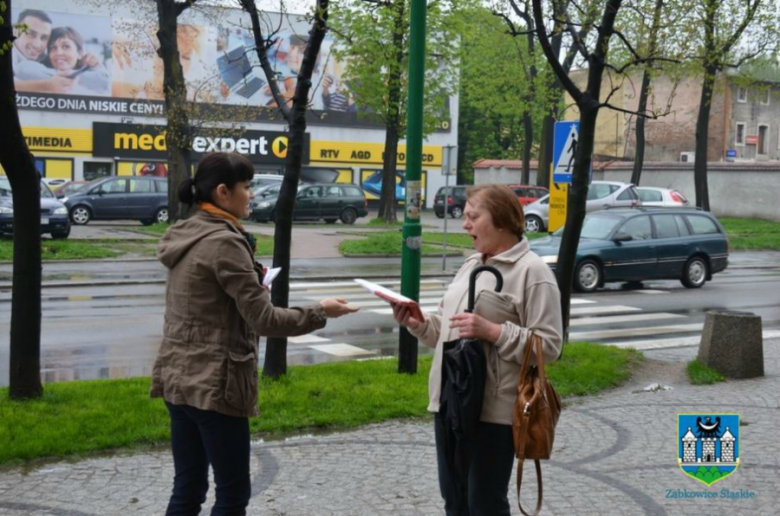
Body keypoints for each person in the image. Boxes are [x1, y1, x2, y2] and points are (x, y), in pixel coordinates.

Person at [151, 152, 358, 516]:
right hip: (216, 384)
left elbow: (208, 300)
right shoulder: (225, 243)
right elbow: (265, 320)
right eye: (246, 187)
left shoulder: (185, 232)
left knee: (188, 487)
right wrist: (320, 311)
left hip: (178, 379)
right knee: (232, 494)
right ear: (222, 192)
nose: (252, 193)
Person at [391, 184, 563, 516]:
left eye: (473, 216)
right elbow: (448, 329)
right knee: (454, 502)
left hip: (493, 413)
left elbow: (550, 347)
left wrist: (494, 332)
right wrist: (417, 322)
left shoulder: (533, 272)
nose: (465, 224)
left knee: (483, 504)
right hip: (449, 402)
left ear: (501, 219)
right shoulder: (471, 265)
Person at [15, 26, 109, 96]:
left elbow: (105, 82)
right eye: (53, 48)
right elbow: (23, 70)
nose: (58, 53)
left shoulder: (95, 75)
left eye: (66, 47)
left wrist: (96, 66)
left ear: (80, 53)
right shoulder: (34, 70)